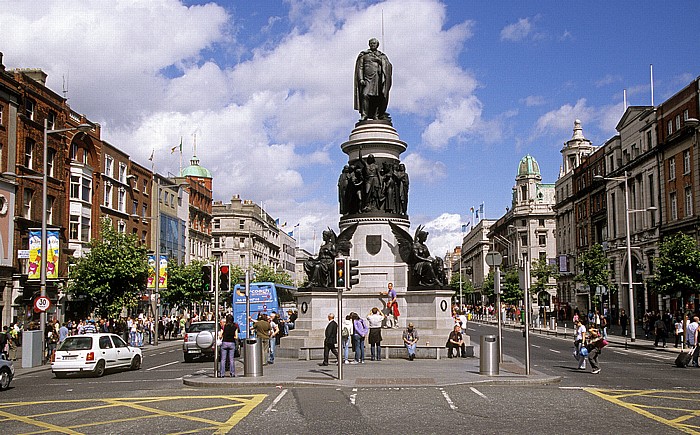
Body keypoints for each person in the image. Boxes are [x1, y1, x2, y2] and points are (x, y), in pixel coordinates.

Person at [354, 37, 392, 121]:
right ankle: (364, 114)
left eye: (374, 43)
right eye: (371, 43)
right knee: (365, 95)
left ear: (377, 45)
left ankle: (376, 115)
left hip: (378, 79)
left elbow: (388, 66)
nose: (372, 45)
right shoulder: (364, 55)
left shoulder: (381, 56)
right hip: (367, 79)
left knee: (377, 97)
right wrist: (360, 79)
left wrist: (379, 60)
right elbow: (360, 68)